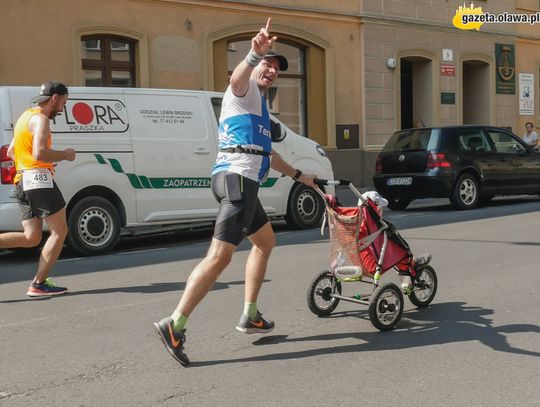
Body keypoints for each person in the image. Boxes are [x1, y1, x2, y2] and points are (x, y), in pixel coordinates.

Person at [153, 18, 317, 366]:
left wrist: (300, 175)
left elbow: (267, 155)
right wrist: (253, 54)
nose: (271, 71)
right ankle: (175, 324)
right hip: (237, 181)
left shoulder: (260, 108)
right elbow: (235, 79)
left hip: (241, 182)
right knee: (220, 257)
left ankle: (251, 314)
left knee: (265, 242)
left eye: (276, 68)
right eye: (268, 65)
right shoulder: (244, 92)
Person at [0, 81, 76, 297]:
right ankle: (38, 283)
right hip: (39, 181)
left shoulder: (25, 116)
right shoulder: (42, 120)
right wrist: (64, 155)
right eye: (63, 102)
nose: (63, 107)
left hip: (23, 180)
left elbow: (13, 151)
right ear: (54, 98)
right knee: (60, 231)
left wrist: (30, 168)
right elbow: (39, 153)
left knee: (31, 237)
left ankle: (39, 283)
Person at [356, 191, 431, 291]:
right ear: (377, 210)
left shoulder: (356, 226)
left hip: (357, 263)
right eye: (381, 208)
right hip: (373, 265)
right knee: (399, 251)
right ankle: (412, 264)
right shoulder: (377, 229)